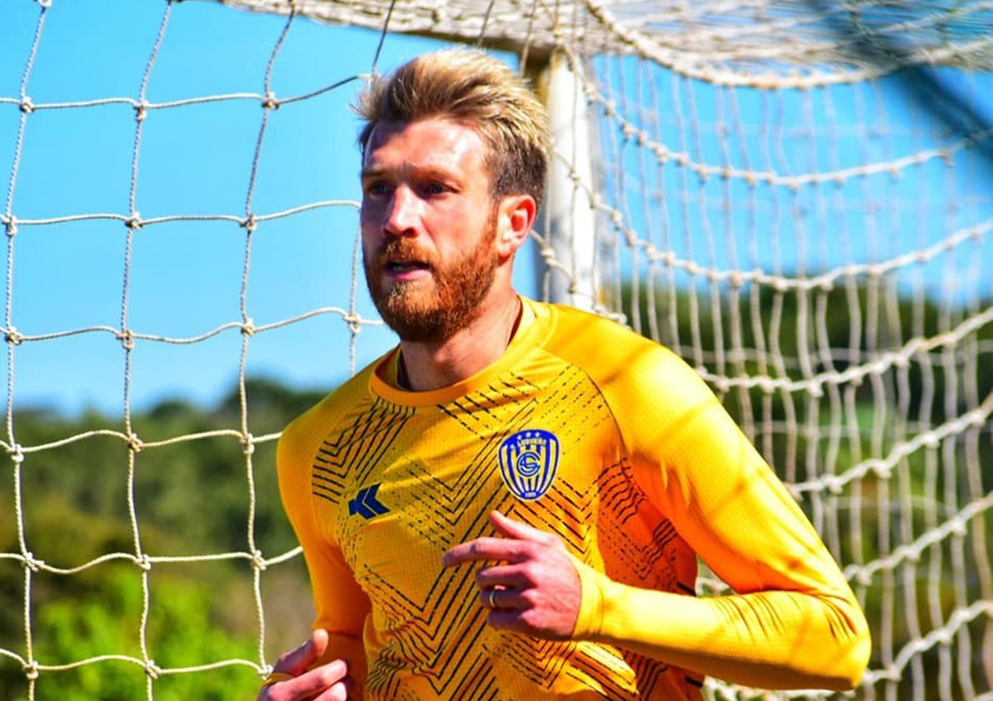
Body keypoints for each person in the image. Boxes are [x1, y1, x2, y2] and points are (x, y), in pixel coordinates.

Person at [259, 48, 871, 701]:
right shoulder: (317, 449)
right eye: (379, 188)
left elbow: (834, 638)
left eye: (435, 188)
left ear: (513, 224)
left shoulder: (627, 382)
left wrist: (597, 605)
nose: (397, 218)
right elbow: (347, 651)